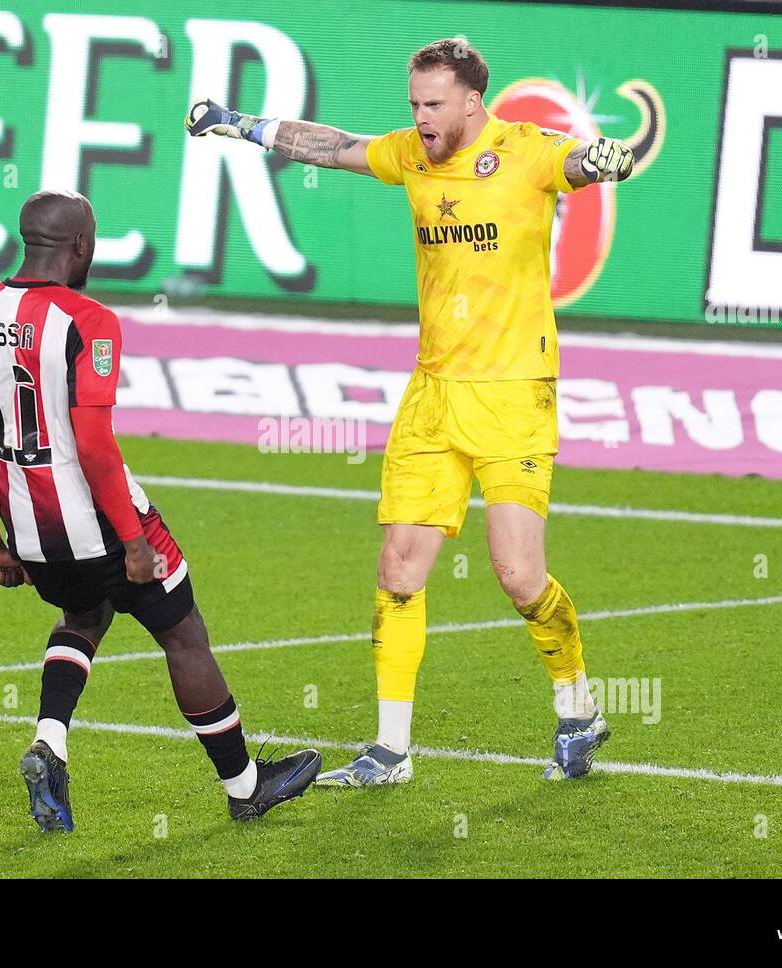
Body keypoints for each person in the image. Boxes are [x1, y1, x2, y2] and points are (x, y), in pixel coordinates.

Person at [186, 37, 636, 785]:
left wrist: (602, 159)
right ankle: (391, 751)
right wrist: (242, 124)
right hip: (432, 395)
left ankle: (577, 707)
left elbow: (576, 163)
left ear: (470, 101)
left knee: (520, 577)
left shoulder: (522, 151)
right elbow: (335, 147)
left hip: (514, 393)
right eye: (414, 105)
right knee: (398, 569)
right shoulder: (412, 156)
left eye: (434, 105)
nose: (422, 118)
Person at [0, 189, 320, 829]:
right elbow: (93, 442)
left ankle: (50, 744)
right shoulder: (89, 321)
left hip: (30, 530)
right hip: (98, 522)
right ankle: (244, 786)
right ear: (81, 247)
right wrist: (133, 538)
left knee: (83, 614)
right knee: (183, 632)